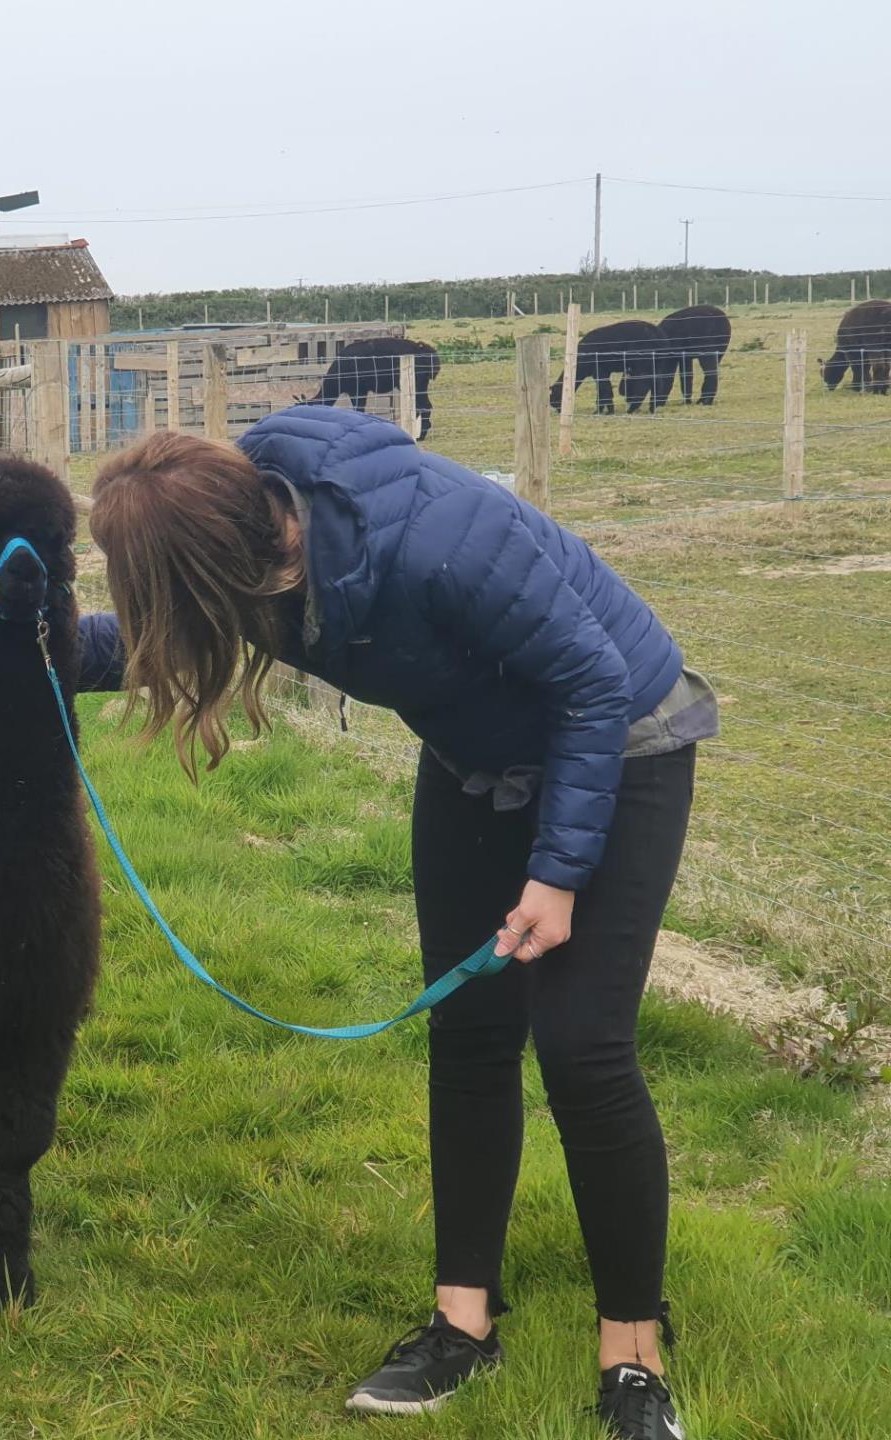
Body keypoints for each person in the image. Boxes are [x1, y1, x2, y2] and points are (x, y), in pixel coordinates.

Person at [75, 411, 716, 1440]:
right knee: (469, 1034)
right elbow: (154, 642)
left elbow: (591, 681)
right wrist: (10, 647)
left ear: (224, 557)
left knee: (583, 1047)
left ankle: (632, 1359)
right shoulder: (258, 551)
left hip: (621, 734)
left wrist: (557, 874)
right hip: (473, 755)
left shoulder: (436, 539)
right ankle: (464, 1325)